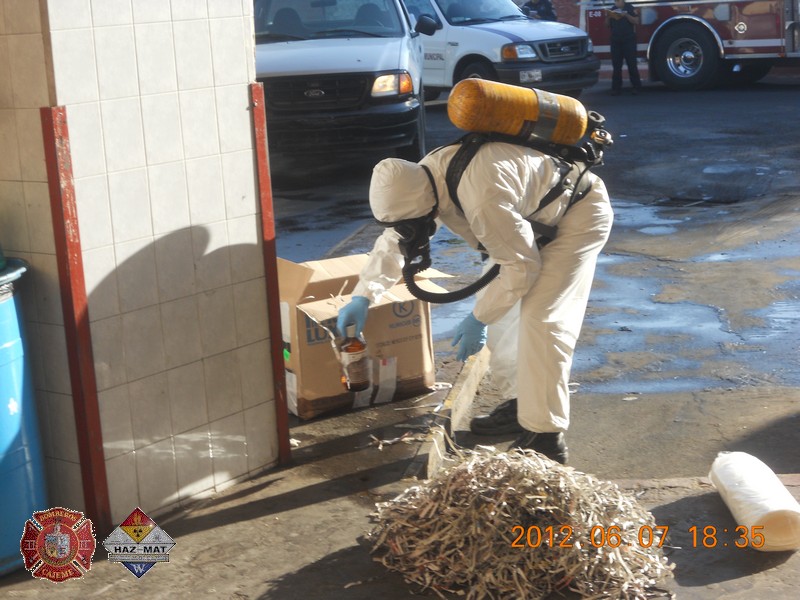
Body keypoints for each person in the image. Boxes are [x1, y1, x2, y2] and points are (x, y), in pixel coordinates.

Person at [336, 132, 613, 465]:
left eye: (416, 224)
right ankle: (520, 405)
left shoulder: (480, 197)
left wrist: (477, 317)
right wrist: (363, 296)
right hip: (527, 225)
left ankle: (545, 438)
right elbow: (397, 237)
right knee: (502, 319)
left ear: (427, 206)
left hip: (577, 216)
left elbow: (521, 268)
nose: (414, 231)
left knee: (542, 319)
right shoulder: (421, 180)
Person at [605, 0, 642, 95]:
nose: (617, 3)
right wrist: (609, 16)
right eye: (615, 1)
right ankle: (616, 88)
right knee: (616, 65)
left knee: (632, 64)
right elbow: (606, 25)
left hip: (629, 40)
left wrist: (626, 15)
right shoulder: (613, 9)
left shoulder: (630, 8)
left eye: (618, 1)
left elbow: (636, 21)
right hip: (616, 41)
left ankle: (636, 87)